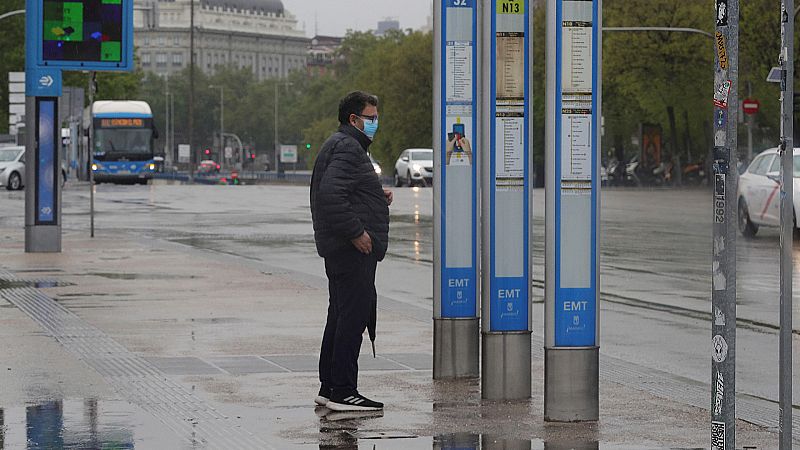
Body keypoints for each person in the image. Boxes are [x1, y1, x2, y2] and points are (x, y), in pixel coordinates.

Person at [310, 91, 393, 412]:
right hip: (349, 249)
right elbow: (331, 195)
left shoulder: (340, 144)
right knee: (352, 318)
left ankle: (329, 386)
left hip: (338, 248)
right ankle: (344, 390)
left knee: (339, 315)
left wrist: (374, 195)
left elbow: (344, 190)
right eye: (370, 118)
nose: (375, 123)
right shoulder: (348, 147)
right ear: (353, 119)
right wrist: (357, 232)